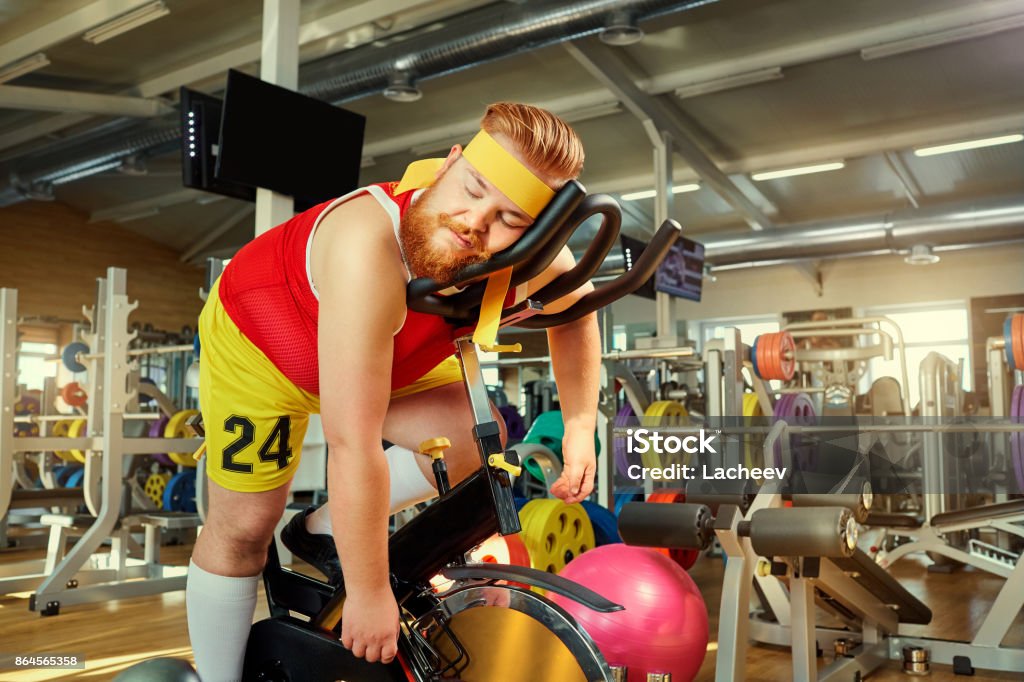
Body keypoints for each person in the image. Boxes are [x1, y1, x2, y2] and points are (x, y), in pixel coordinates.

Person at [186, 102, 600, 681]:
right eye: (472, 188)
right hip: (266, 345)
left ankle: (322, 531)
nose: (475, 221)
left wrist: (581, 425)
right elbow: (352, 442)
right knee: (245, 528)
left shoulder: (531, 257)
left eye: (510, 218)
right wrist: (368, 590)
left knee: (469, 443)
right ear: (449, 163)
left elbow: (576, 312)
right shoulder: (367, 246)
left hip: (390, 349)